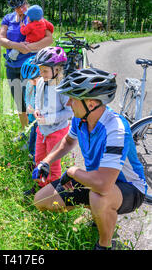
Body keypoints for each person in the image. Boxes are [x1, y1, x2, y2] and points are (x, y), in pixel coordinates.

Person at [32, 68, 147, 250]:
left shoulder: (115, 129)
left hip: (129, 187)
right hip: (99, 179)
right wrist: (46, 161)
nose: (69, 103)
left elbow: (103, 184)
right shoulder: (81, 118)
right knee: (41, 201)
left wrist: (72, 172)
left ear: (91, 103)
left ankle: (104, 245)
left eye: (73, 99)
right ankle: (98, 213)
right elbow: (68, 142)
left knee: (99, 196)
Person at [0, 0, 53, 129]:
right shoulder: (8, 19)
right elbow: (1, 39)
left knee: (32, 103)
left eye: (22, 5)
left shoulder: (35, 16)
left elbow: (49, 39)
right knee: (19, 103)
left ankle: (35, 134)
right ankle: (25, 132)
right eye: (16, 7)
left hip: (30, 67)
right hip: (12, 67)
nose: (20, 9)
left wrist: (29, 48)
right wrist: (17, 46)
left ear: (26, 1)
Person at [30, 47, 73, 190]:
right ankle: (40, 187)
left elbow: (69, 112)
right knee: (39, 160)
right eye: (40, 70)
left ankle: (52, 193)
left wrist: (48, 119)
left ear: (57, 69)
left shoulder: (63, 87)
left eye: (45, 71)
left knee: (52, 164)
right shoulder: (42, 81)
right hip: (42, 129)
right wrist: (37, 109)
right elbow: (37, 98)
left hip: (56, 131)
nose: (41, 74)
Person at [20, 56, 40, 163]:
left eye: (33, 79)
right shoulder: (29, 84)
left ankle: (37, 159)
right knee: (32, 136)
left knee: (38, 140)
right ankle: (31, 155)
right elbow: (27, 98)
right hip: (32, 118)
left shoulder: (44, 86)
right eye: (28, 80)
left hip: (41, 121)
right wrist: (28, 107)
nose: (31, 82)